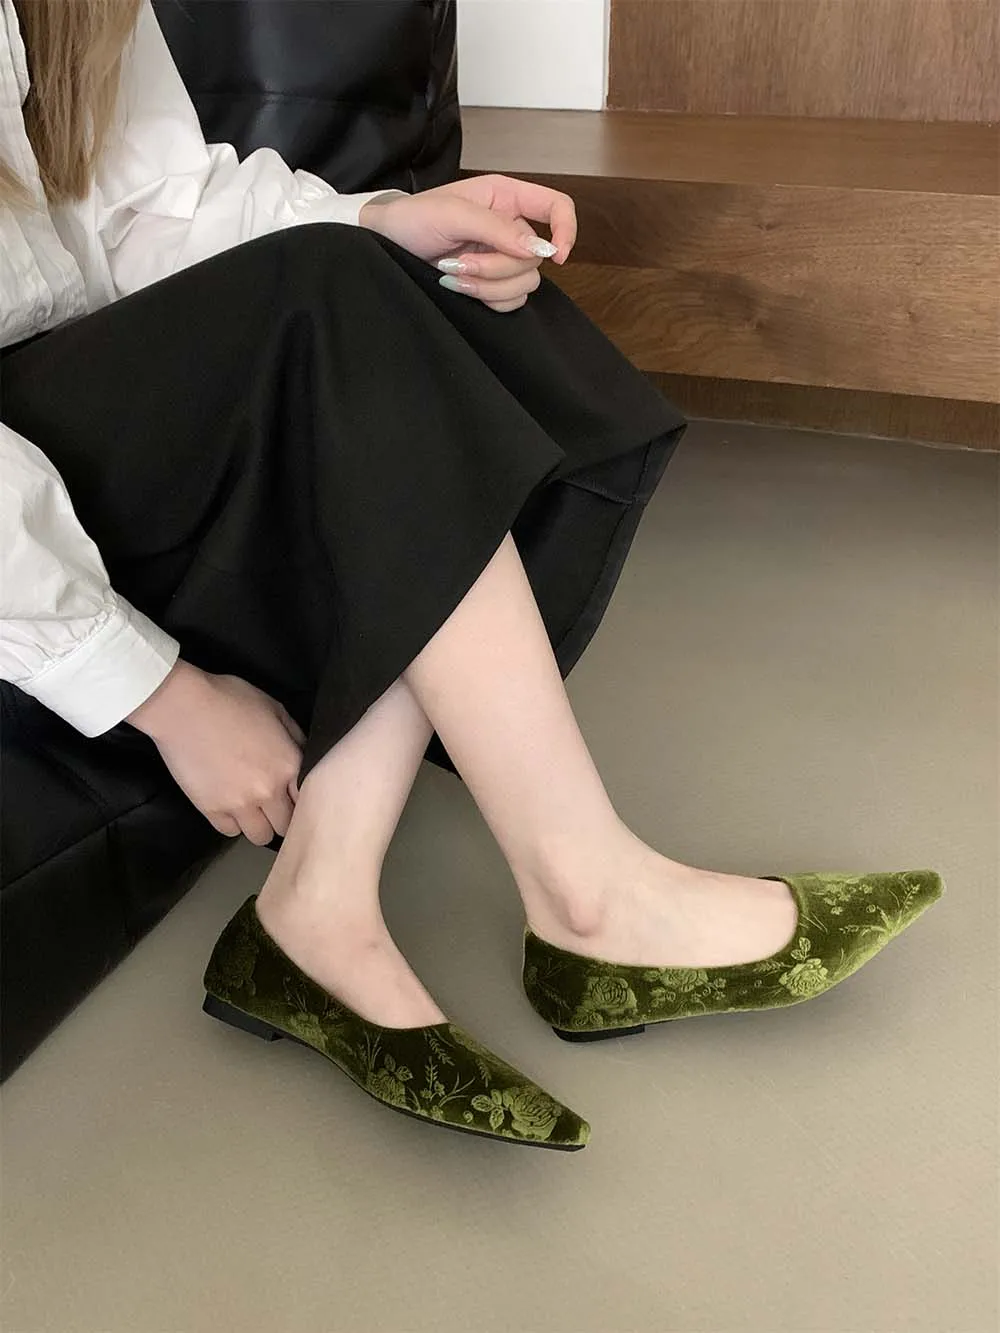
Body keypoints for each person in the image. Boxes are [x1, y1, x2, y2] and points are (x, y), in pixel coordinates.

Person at [0, 0, 942, 1151]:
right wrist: (160, 692)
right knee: (347, 305)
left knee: (410, 283)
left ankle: (323, 901)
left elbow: (147, 205)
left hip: (60, 395)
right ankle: (589, 899)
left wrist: (385, 219)